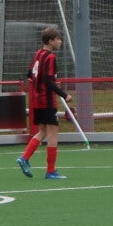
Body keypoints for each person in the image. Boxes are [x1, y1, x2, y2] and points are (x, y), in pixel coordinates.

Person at [18, 26, 69, 180]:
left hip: (37, 100)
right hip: (47, 100)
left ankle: (25, 158)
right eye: (58, 39)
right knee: (53, 133)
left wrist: (46, 81)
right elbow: (47, 79)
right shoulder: (50, 57)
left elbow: (30, 74)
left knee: (42, 131)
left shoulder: (38, 54)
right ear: (50, 41)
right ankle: (51, 171)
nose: (60, 41)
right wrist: (64, 94)